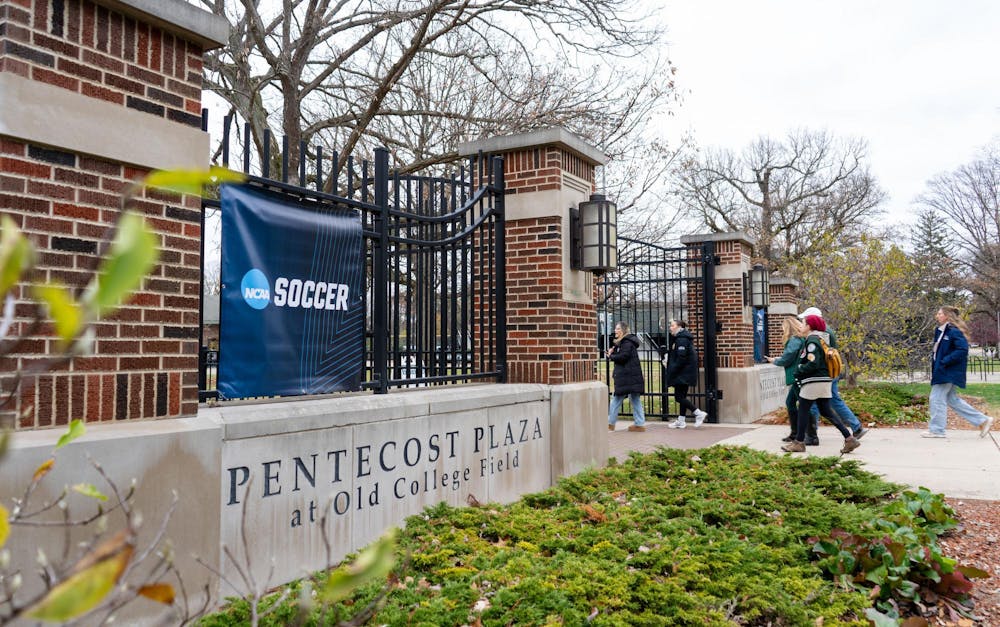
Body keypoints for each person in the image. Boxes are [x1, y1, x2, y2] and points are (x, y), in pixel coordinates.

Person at [782, 315, 861, 454]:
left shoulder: (812, 341)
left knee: (803, 410)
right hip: (824, 381)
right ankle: (849, 439)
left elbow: (813, 363)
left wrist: (798, 371)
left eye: (803, 324)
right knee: (826, 411)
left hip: (813, 381)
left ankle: (799, 443)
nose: (800, 326)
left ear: (809, 327)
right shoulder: (820, 339)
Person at [798, 306, 867, 445]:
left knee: (818, 405)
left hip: (821, 375)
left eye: (804, 321)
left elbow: (815, 359)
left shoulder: (819, 335)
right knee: (826, 406)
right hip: (828, 373)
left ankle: (811, 436)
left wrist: (801, 368)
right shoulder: (826, 330)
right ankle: (851, 431)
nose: (802, 323)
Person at [924, 306, 995, 439]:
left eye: (940, 313)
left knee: (936, 398)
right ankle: (982, 420)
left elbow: (962, 349)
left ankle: (937, 430)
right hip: (942, 370)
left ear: (947, 316)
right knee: (952, 400)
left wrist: (944, 361)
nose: (937, 315)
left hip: (948, 371)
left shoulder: (953, 331)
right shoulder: (941, 331)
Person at [765, 316, 807, 442]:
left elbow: (787, 358)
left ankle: (806, 434)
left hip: (795, 376)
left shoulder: (794, 340)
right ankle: (796, 433)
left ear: (788, 327)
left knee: (803, 405)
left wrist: (775, 360)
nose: (782, 329)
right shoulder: (799, 339)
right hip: (796, 375)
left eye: (783, 326)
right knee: (792, 403)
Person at [664, 319, 708, 429]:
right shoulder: (681, 338)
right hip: (685, 373)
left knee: (679, 397)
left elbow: (681, 358)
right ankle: (681, 420)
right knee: (682, 396)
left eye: (672, 325)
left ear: (679, 327)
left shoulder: (681, 339)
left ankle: (698, 413)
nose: (670, 327)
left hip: (682, 373)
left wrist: (671, 369)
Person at [607, 321, 646, 432]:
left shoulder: (626, 343)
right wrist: (613, 354)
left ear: (623, 331)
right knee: (635, 399)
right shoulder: (625, 343)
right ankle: (639, 423)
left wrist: (611, 355)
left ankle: (610, 423)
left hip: (627, 378)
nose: (615, 330)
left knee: (616, 399)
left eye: (618, 329)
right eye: (615, 328)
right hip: (630, 377)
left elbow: (623, 357)